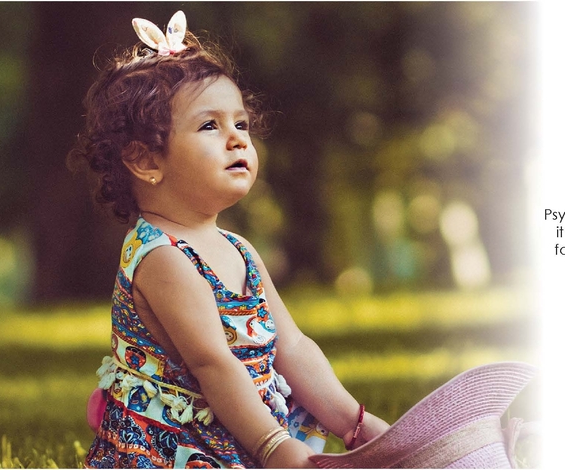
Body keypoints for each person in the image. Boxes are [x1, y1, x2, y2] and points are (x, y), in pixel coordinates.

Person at [69, 11, 389, 468]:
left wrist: (354, 424)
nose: (237, 140)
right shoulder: (161, 257)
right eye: (209, 126)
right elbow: (213, 365)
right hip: (178, 447)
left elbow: (291, 346)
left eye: (240, 124)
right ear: (144, 161)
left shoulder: (239, 249)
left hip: (244, 428)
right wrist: (273, 447)